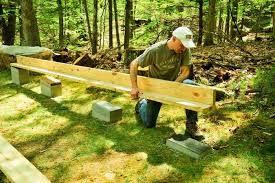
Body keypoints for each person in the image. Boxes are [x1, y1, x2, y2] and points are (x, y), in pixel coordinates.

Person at [129, 26, 204, 140]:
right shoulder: (155, 50)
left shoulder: (185, 50)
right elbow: (134, 64)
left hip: (174, 83)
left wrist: (173, 86)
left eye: (185, 45)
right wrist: (134, 87)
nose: (183, 48)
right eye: (182, 45)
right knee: (149, 124)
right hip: (156, 87)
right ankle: (141, 104)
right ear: (174, 39)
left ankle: (191, 124)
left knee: (190, 85)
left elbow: (185, 72)